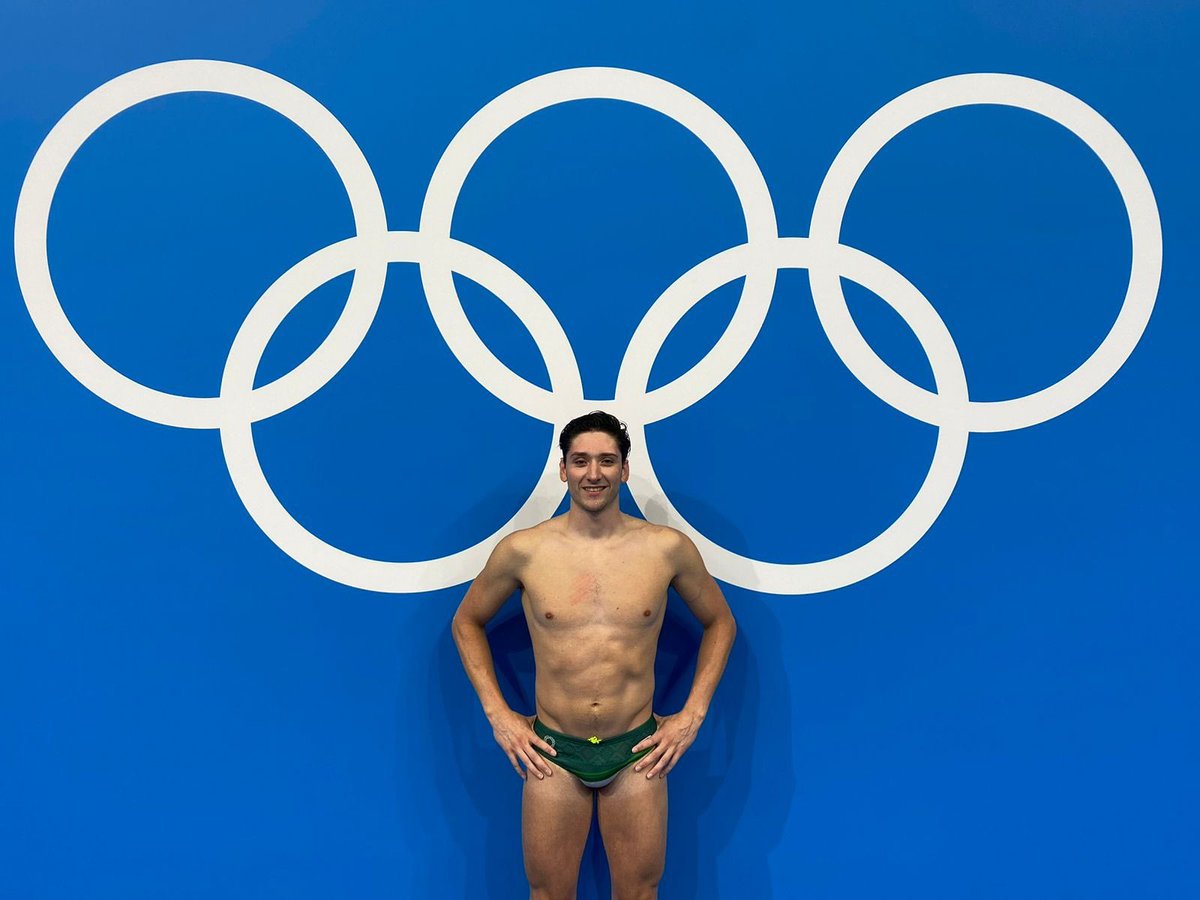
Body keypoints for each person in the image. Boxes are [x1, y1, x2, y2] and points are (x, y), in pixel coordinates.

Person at [451, 410, 737, 899]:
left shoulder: (666, 549)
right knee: (548, 894)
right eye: (581, 461)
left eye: (607, 460)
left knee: (639, 893)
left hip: (637, 751)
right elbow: (466, 622)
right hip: (553, 752)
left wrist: (693, 715)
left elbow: (721, 622)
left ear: (625, 469)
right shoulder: (524, 551)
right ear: (563, 469)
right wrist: (499, 715)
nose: (594, 473)